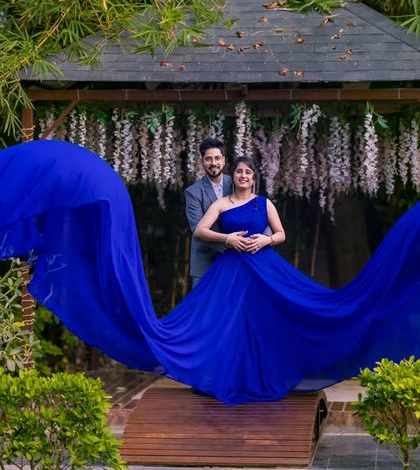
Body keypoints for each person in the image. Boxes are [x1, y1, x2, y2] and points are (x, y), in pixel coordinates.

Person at [0, 140, 419, 405]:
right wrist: (230, 241)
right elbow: (201, 229)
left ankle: (265, 376)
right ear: (229, 174)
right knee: (222, 327)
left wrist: (261, 241)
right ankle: (221, 376)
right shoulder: (222, 203)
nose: (241, 175)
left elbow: (281, 233)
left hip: (264, 270)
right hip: (231, 271)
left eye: (247, 172)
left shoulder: (264, 202)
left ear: (255, 177)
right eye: (237, 170)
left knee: (268, 324)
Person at [185, 138, 232, 287]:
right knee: (202, 307)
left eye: (217, 158)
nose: (214, 163)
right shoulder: (193, 192)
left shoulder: (237, 184)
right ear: (202, 162)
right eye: (208, 159)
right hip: (205, 258)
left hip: (235, 257)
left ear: (224, 160)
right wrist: (229, 240)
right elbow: (198, 230)